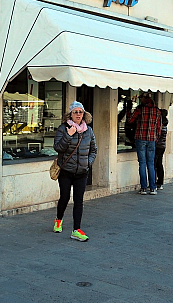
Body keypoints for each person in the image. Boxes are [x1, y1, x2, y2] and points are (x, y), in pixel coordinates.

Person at [53, 101, 97, 241]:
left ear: (84, 114)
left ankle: (76, 230)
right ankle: (58, 219)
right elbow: (58, 148)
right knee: (65, 197)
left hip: (82, 172)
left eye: (80, 112)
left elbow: (94, 150)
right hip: (66, 171)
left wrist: (88, 163)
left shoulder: (88, 130)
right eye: (75, 112)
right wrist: (69, 135)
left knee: (79, 201)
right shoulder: (63, 128)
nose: (78, 114)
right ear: (70, 114)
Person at [128, 94, 161, 195]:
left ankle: (143, 188)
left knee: (142, 163)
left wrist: (128, 110)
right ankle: (153, 188)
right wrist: (156, 138)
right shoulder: (157, 111)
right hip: (151, 139)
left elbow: (130, 120)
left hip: (140, 138)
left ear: (143, 99)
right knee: (150, 163)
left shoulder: (140, 109)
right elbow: (159, 128)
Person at [154, 109, 168, 190]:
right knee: (159, 164)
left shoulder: (161, 125)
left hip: (158, 146)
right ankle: (160, 182)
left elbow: (158, 135)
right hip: (162, 146)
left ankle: (156, 182)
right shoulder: (165, 123)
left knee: (155, 164)